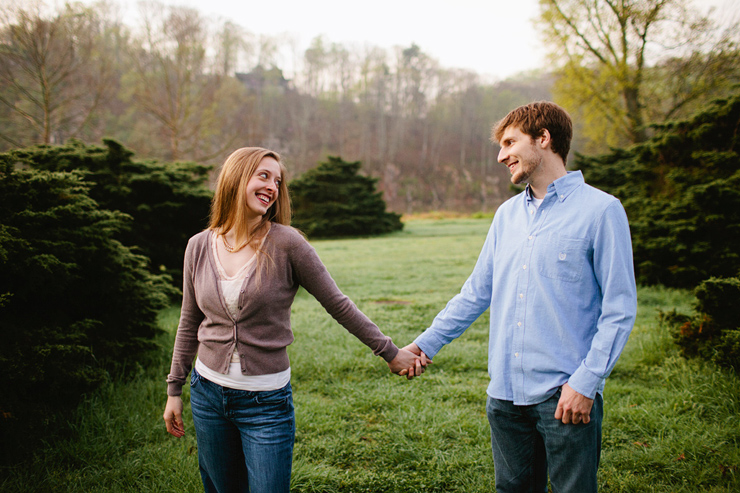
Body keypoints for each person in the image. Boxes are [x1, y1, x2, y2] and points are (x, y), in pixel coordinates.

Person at [402, 101, 637, 492]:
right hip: (505, 398)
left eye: (510, 142)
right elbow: (476, 293)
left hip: (566, 397)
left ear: (543, 139)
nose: (501, 155)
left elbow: (619, 308)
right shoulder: (506, 216)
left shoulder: (602, 211)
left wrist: (587, 382)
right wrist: (424, 344)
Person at [163, 147, 422, 493]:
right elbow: (189, 319)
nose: (272, 186)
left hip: (265, 404)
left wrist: (390, 353)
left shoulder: (288, 244)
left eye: (278, 181)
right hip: (207, 394)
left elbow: (338, 304)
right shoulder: (198, 246)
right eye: (264, 176)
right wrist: (174, 389)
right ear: (236, 178)